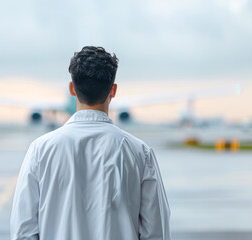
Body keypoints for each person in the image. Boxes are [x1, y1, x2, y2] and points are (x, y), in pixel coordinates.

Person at [10, 46, 171, 240]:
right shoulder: (140, 153)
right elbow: (156, 232)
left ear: (72, 88)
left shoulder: (40, 150)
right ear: (113, 90)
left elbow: (23, 232)